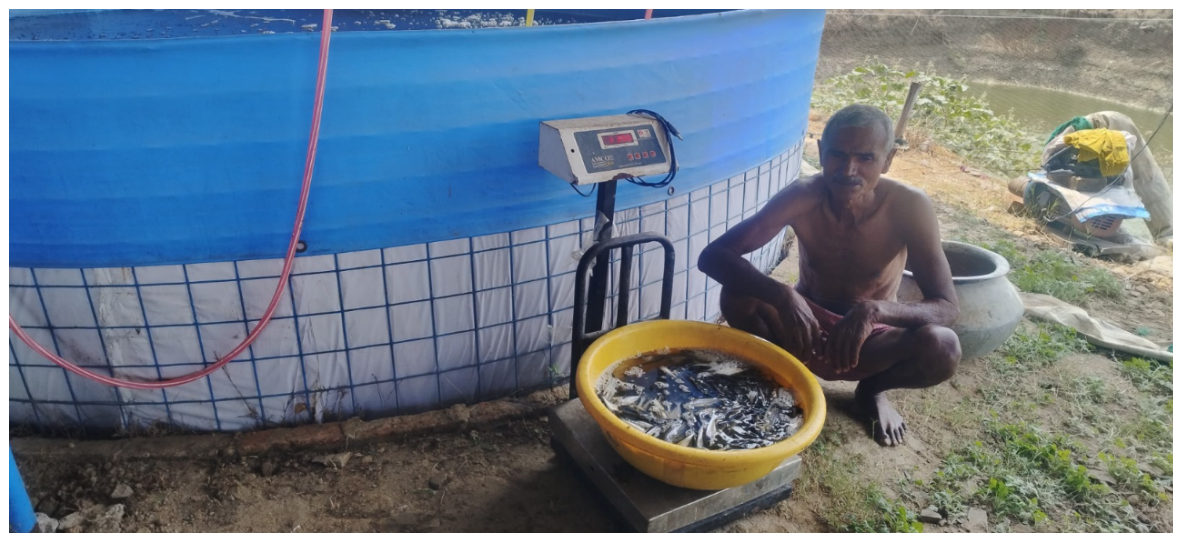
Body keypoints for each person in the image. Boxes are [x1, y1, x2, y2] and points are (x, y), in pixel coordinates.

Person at [698, 104, 961, 446]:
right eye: (837, 154)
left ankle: (871, 391)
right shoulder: (803, 196)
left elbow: (946, 307)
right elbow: (714, 256)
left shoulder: (908, 205)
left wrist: (874, 311)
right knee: (737, 293)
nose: (848, 170)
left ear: (888, 160)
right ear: (821, 151)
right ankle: (778, 375)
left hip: (873, 337)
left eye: (866, 158)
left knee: (943, 347)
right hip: (802, 326)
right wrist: (784, 296)